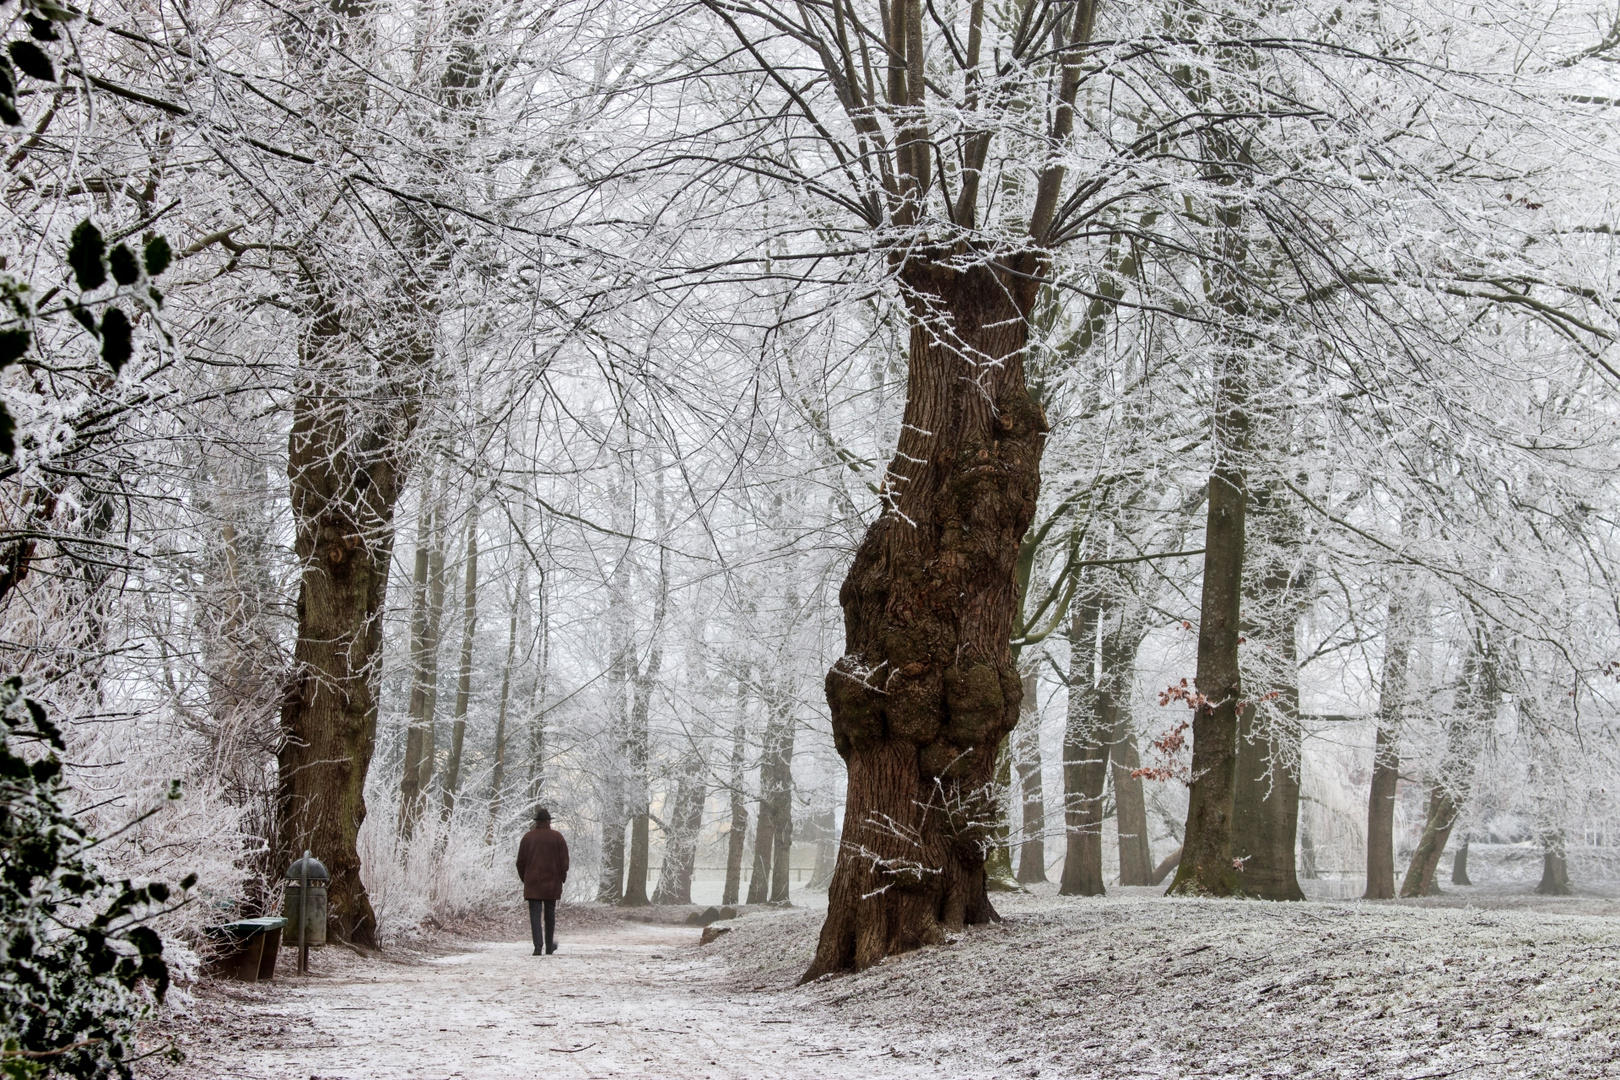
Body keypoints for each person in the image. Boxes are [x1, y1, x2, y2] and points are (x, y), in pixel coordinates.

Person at [516, 807, 568, 955]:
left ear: (537, 822)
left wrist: (525, 878)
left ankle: (538, 946)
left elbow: (520, 862)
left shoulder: (527, 838)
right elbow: (564, 861)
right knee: (550, 914)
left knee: (535, 914)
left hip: (533, 882)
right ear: (548, 822)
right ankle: (549, 946)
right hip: (552, 882)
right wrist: (561, 878)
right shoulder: (557, 837)